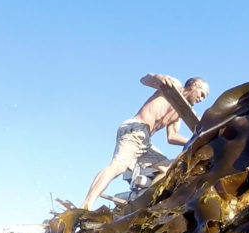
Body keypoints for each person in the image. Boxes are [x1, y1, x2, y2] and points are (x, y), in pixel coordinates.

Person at [82, 73, 209, 210]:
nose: (201, 99)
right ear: (194, 86)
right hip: (136, 129)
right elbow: (145, 79)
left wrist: (196, 141)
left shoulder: (180, 111)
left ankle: (148, 205)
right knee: (118, 166)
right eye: (202, 94)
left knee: (171, 168)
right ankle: (87, 203)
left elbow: (172, 137)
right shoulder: (174, 86)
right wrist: (158, 78)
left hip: (146, 141)